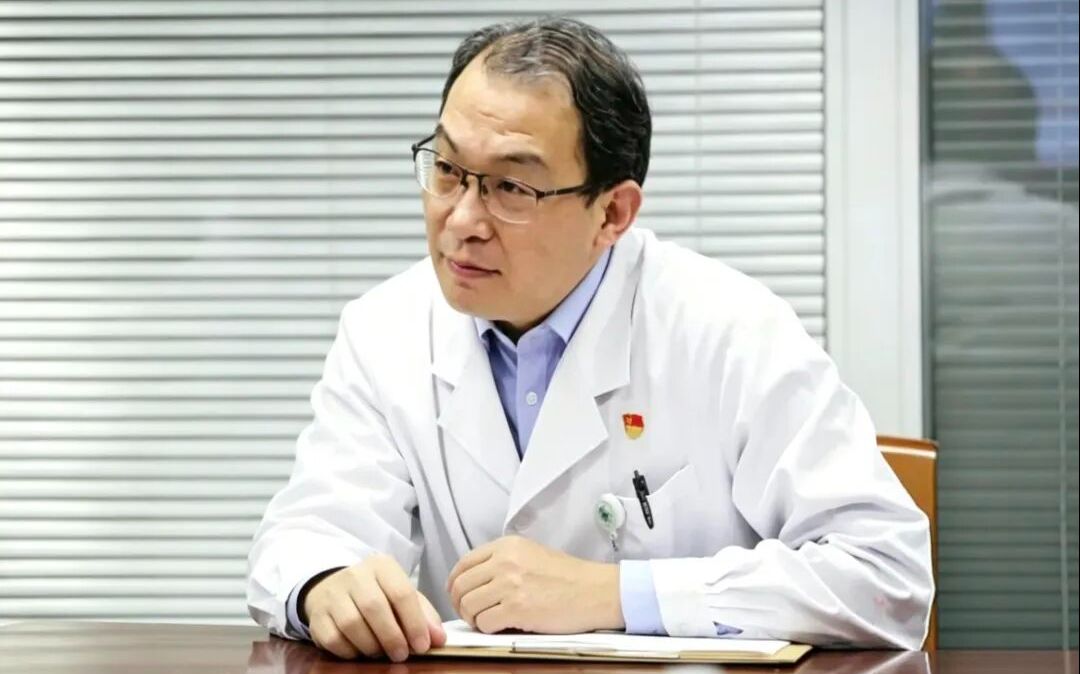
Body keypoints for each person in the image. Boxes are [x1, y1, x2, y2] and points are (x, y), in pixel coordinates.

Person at [246, 16, 934, 662]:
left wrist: (619, 594)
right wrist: (324, 583)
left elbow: (885, 575)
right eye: (448, 170)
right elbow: (308, 533)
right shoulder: (384, 330)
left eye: (511, 187)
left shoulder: (729, 329)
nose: (461, 220)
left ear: (612, 212)